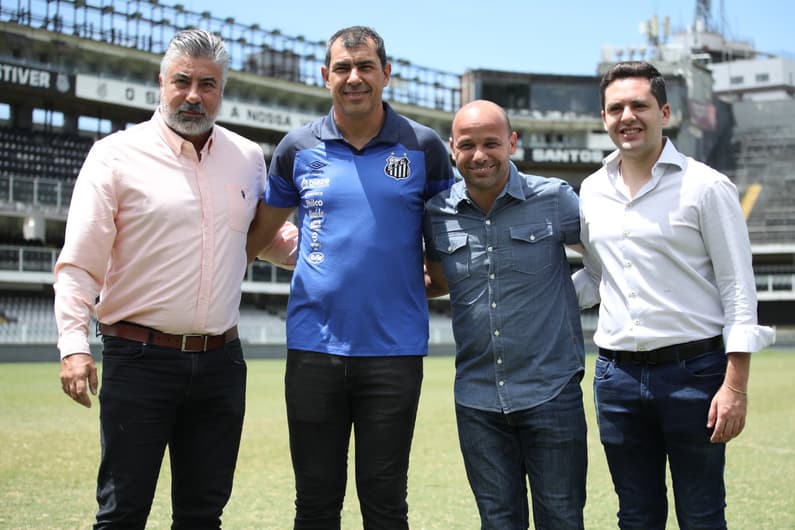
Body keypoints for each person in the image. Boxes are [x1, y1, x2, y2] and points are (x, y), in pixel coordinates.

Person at [55, 29, 296, 529]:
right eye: (182, 81)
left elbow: (267, 238)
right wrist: (74, 345)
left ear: (222, 90)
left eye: (207, 84)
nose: (193, 95)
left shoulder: (248, 156)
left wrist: (344, 254)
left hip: (221, 363)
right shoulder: (114, 155)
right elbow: (80, 262)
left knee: (203, 515)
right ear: (160, 82)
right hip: (139, 359)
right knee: (123, 512)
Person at [246, 25, 454, 529]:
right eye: (342, 68)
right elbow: (255, 237)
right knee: (315, 504)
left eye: (365, 67)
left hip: (394, 352)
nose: (354, 77)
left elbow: (445, 251)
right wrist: (318, 262)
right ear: (325, 76)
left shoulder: (424, 147)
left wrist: (410, 284)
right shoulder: (296, 148)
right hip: (314, 350)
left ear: (386, 74)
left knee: (385, 505)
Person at [574, 61, 776, 529]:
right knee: (636, 516)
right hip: (616, 377)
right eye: (616, 108)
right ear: (604, 118)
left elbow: (738, 291)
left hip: (696, 375)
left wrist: (736, 386)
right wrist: (535, 296)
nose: (628, 116)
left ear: (664, 112)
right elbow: (597, 276)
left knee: (702, 516)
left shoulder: (707, 187)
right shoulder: (590, 191)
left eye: (639, 105)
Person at [423, 100, 587, 529]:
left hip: (551, 391)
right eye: (468, 145)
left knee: (562, 519)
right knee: (497, 522)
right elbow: (436, 282)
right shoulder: (436, 213)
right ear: (452, 149)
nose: (479, 155)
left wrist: (575, 296)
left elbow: (611, 262)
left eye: (491, 143)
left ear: (512, 143)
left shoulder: (555, 199)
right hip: (477, 400)